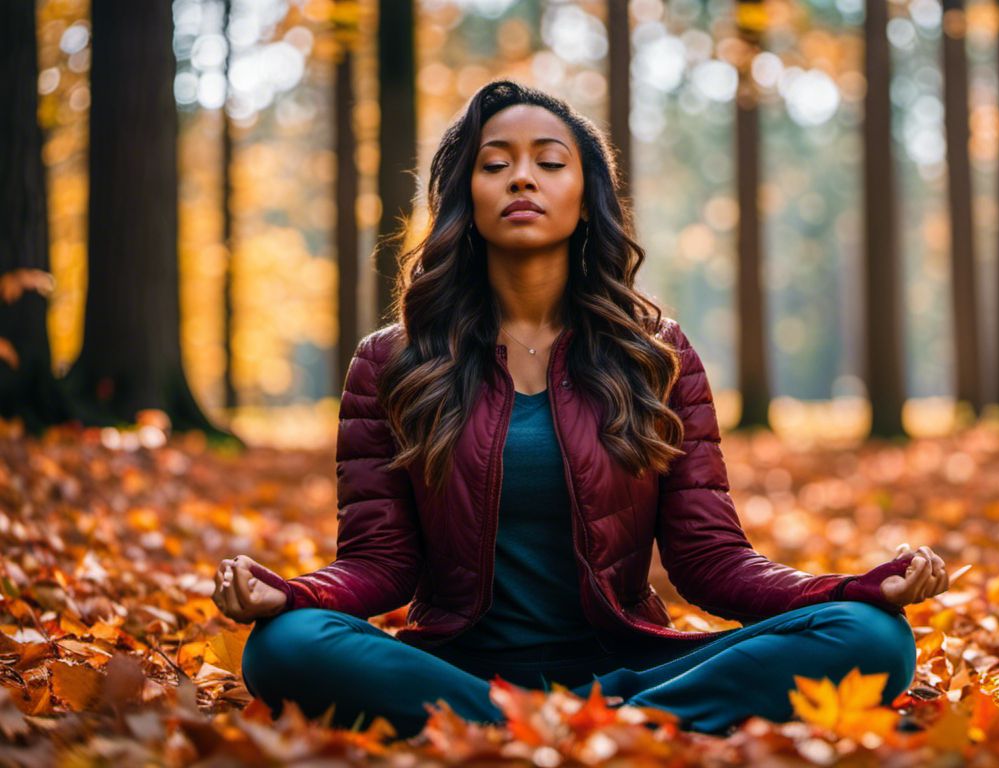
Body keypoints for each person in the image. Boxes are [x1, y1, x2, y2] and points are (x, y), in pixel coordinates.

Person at [215, 79, 951, 740]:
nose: (522, 177)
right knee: (284, 646)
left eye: (549, 160)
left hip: (626, 667)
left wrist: (846, 589)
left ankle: (572, 727)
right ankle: (571, 731)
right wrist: (294, 595)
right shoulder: (393, 360)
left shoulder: (654, 353)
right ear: (464, 198)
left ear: (585, 195)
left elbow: (712, 560)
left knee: (872, 636)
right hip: (459, 672)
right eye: (494, 162)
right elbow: (381, 563)